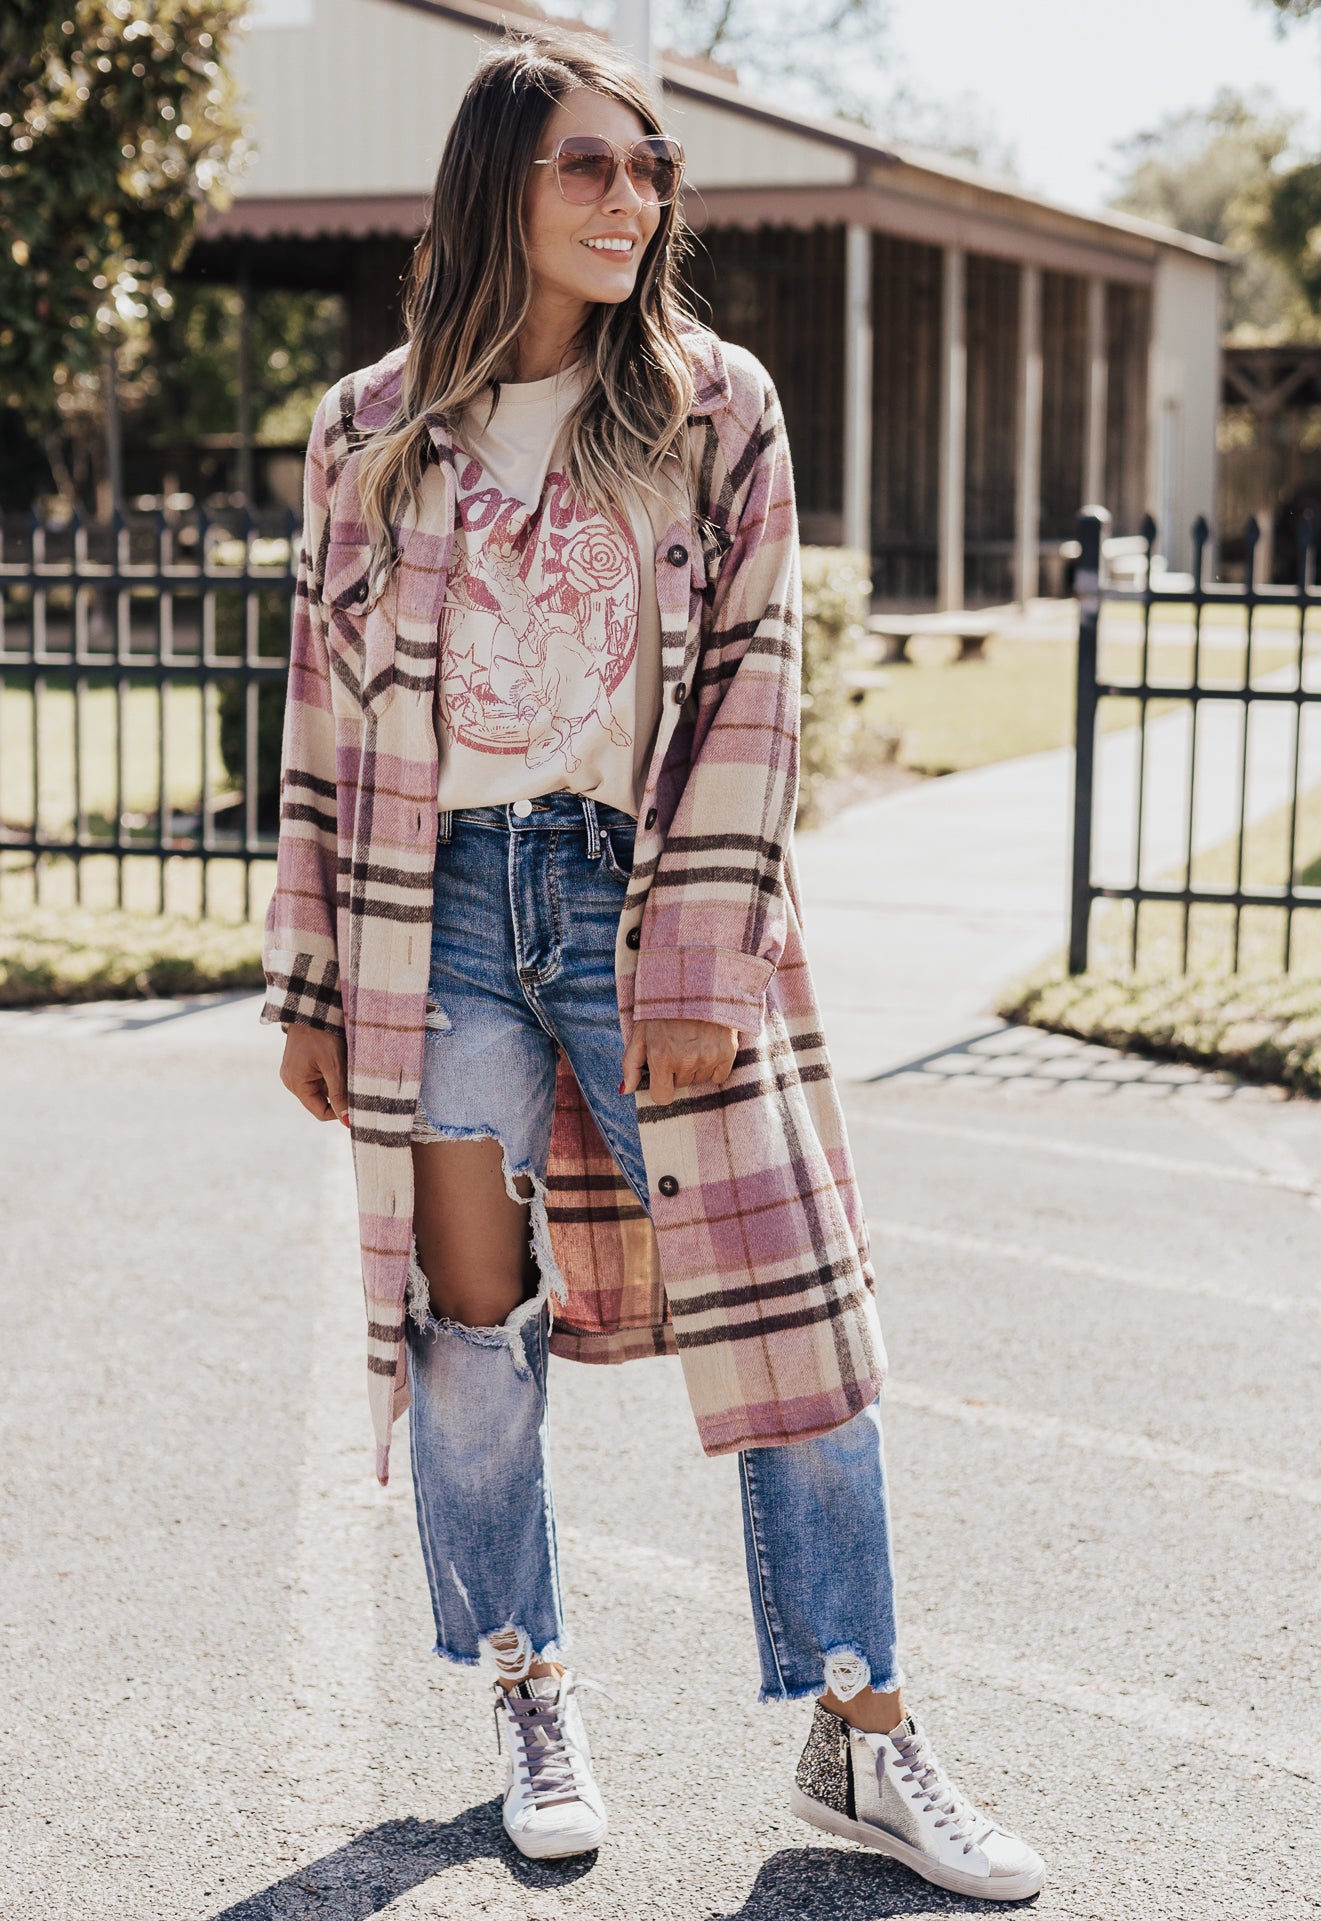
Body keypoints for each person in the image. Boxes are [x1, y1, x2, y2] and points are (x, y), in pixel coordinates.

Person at [262, 28, 1045, 1904]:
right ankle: (528, 1686)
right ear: (500, 188)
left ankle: (867, 1729)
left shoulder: (712, 405)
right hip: (437, 917)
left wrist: (705, 947)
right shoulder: (368, 430)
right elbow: (317, 709)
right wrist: (307, 971)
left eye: (650, 168)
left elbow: (762, 684)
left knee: (797, 1325)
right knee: (472, 1327)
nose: (633, 199)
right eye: (591, 167)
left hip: (648, 901)